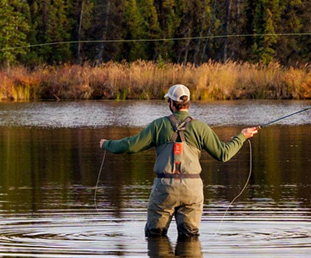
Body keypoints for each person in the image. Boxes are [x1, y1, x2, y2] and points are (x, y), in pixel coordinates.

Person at [100, 84, 258, 238]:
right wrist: (242, 136)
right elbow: (223, 154)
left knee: (155, 236)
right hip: (192, 189)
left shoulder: (159, 125)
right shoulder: (200, 127)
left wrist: (106, 144)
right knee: (190, 238)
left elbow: (131, 145)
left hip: (165, 188)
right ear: (187, 102)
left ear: (171, 103)